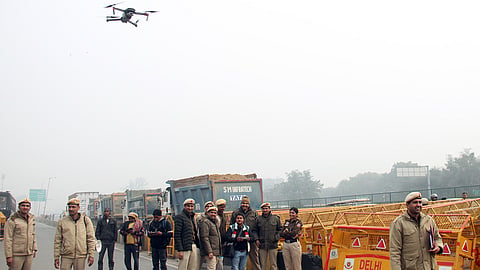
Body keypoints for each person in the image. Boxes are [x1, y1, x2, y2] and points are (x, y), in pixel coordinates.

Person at [390, 192, 443, 270]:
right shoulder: (398, 223)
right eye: (415, 202)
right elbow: (395, 251)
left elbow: (437, 238)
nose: (418, 205)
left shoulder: (428, 220)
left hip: (429, 267)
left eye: (420, 202)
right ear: (407, 205)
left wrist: (438, 247)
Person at [54, 198, 96, 270]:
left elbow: (91, 239)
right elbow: (57, 240)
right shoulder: (62, 222)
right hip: (66, 255)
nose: (71, 209)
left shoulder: (85, 221)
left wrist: (91, 255)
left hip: (80, 255)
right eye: (69, 207)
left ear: (78, 208)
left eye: (73, 207)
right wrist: (56, 257)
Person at [4, 198, 37, 270]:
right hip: (17, 254)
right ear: (19, 207)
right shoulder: (13, 220)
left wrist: (34, 248)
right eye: (23, 205)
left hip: (29, 254)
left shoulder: (31, 219)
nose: (25, 207)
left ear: (30, 208)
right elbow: (8, 239)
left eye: (27, 206)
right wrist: (9, 256)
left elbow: (33, 234)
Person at [230, 196, 260, 270]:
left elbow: (257, 227)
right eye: (243, 203)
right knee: (238, 263)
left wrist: (255, 239)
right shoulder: (236, 213)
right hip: (239, 243)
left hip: (251, 240)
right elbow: (232, 226)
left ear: (249, 204)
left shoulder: (254, 213)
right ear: (241, 203)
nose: (245, 205)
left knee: (255, 259)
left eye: (246, 203)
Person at [252, 202, 282, 270]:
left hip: (273, 244)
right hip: (262, 244)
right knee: (263, 264)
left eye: (266, 208)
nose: (265, 210)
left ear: (269, 209)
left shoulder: (275, 219)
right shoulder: (258, 219)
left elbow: (280, 229)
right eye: (263, 209)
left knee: (273, 264)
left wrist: (276, 238)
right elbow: (254, 231)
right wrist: (256, 239)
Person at [174, 198, 201, 270]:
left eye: (192, 206)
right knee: (183, 267)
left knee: (193, 267)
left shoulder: (192, 217)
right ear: (185, 206)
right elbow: (177, 235)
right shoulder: (180, 217)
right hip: (184, 247)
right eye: (188, 206)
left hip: (193, 245)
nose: (190, 208)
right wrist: (180, 250)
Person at [215, 199, 227, 270]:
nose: (222, 208)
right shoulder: (215, 216)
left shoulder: (223, 216)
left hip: (222, 241)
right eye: (221, 207)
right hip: (216, 240)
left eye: (223, 207)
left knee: (220, 260)